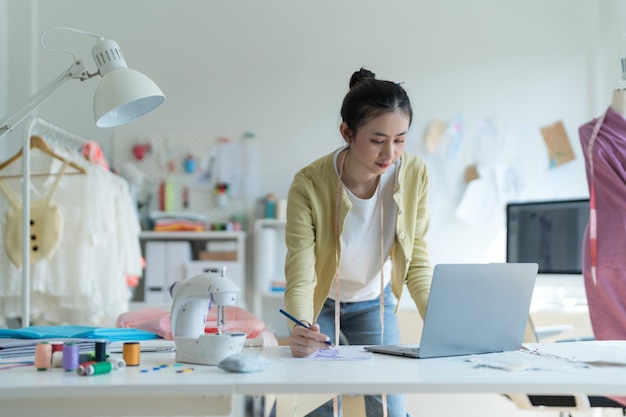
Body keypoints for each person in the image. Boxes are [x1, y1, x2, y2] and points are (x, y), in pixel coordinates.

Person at [282, 67, 433, 417]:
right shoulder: (308, 184)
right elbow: (301, 274)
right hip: (319, 305)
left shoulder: (414, 173)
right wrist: (300, 328)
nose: (390, 153)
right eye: (378, 140)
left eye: (400, 139)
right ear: (346, 132)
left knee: (389, 409)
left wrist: (443, 326)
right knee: (314, 408)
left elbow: (418, 262)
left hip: (373, 303)